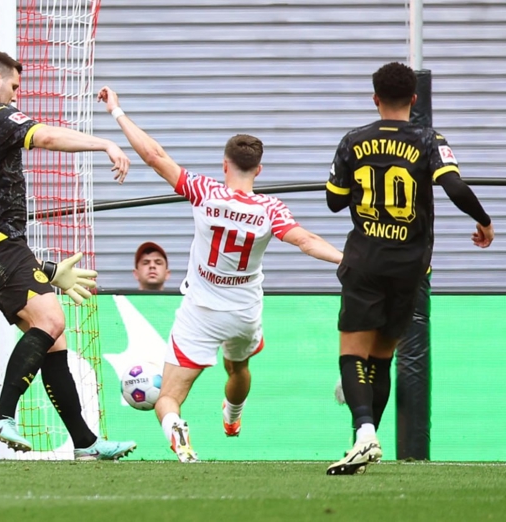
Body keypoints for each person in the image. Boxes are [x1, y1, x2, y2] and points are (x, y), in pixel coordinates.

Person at [98, 86, 344, 463]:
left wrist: (116, 111)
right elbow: (306, 242)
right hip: (244, 313)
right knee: (239, 367)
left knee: (168, 397)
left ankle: (178, 433)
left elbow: (153, 155)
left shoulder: (205, 191)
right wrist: (347, 261)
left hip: (199, 312)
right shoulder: (270, 209)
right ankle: (232, 418)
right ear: (258, 170)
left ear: (224, 164)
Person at [0, 51, 136, 460]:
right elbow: (48, 137)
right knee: (52, 320)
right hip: (0, 242)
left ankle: (85, 443)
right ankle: (1, 416)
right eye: (13, 86)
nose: (16, 96)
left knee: (53, 339)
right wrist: (104, 142)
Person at [324, 62, 494, 475]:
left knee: (352, 352)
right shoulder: (428, 139)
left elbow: (333, 200)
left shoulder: (353, 140)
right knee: (382, 357)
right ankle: (365, 442)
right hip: (411, 266)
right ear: (414, 100)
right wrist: (485, 222)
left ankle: (364, 434)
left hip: (365, 260)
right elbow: (454, 185)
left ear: (375, 98)